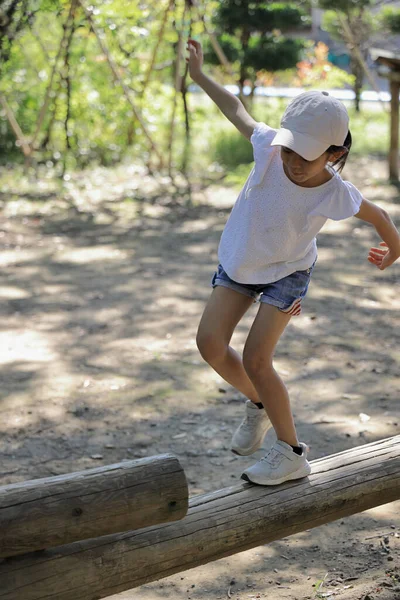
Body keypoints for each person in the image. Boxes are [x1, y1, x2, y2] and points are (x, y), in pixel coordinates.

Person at [186, 39, 400, 486]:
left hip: (287, 273)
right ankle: (260, 404)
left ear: (334, 155)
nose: (292, 162)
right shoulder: (267, 148)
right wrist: (201, 75)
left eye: (305, 155)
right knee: (209, 344)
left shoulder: (333, 190)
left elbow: (377, 214)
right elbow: (236, 108)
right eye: (289, 150)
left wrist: (393, 246)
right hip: (241, 263)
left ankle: (290, 452)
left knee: (257, 358)